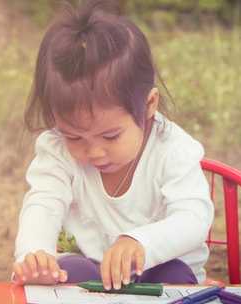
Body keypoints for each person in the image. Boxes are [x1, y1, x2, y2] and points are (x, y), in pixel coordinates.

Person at [12, 0, 214, 290]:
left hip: (163, 270)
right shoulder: (56, 150)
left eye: (110, 136)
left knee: (174, 276)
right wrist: (35, 254)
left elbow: (194, 218)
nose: (93, 152)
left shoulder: (172, 149)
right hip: (95, 271)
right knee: (66, 270)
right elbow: (43, 204)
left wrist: (141, 242)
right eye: (74, 137)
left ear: (149, 105)